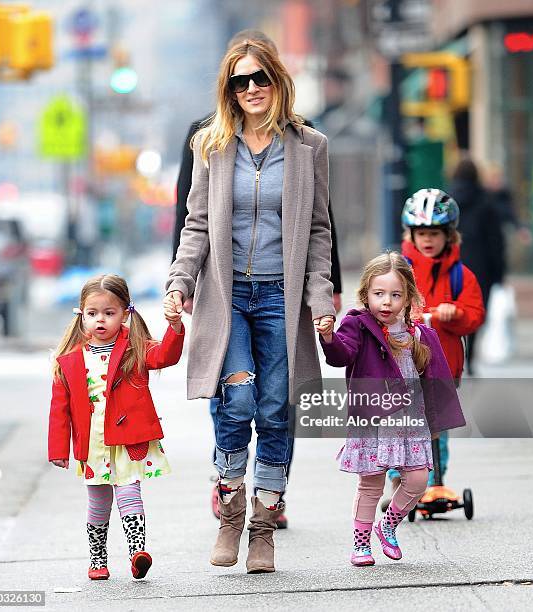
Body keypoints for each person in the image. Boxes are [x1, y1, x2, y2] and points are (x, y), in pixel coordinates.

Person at [164, 38, 335, 573]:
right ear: (229, 90)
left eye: (259, 77)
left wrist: (321, 296)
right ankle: (230, 517)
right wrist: (179, 280)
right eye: (240, 81)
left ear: (277, 80)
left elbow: (318, 230)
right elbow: (195, 223)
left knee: (277, 408)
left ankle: (264, 531)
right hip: (228, 295)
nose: (251, 88)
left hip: (280, 299)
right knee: (237, 404)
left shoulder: (310, 146)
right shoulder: (210, 144)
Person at [318, 252, 465, 566]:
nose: (386, 302)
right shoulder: (358, 325)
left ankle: (387, 526)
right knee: (371, 483)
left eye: (395, 295)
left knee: (417, 481)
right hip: (373, 419)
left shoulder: (421, 335)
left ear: (409, 297)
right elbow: (341, 355)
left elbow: (436, 381)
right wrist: (329, 337)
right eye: (378, 294)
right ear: (366, 294)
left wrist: (437, 421)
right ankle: (360, 545)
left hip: (411, 423)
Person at [48, 274, 184, 581]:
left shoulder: (135, 348)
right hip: (93, 443)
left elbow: (165, 356)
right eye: (92, 314)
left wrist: (175, 328)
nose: (100, 320)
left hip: (127, 439)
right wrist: (59, 449)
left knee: (130, 492)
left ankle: (138, 553)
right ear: (80, 315)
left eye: (109, 313)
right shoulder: (68, 360)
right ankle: (97, 557)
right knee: (98, 501)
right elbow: (59, 410)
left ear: (125, 313)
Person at [378, 189, 485, 504]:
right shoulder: (396, 273)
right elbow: (377, 306)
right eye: (422, 233)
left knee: (437, 424)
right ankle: (399, 478)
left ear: (448, 235)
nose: (428, 240)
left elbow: (475, 315)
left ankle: (434, 481)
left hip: (444, 367)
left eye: (435, 234)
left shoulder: (459, 276)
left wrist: (456, 314)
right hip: (400, 365)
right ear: (410, 234)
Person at [449, 158, 505, 373]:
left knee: (451, 310)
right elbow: (496, 241)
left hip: (452, 265)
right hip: (481, 267)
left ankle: (454, 355)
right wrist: (499, 272)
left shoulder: (447, 200)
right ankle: (470, 357)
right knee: (474, 312)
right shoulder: (487, 203)